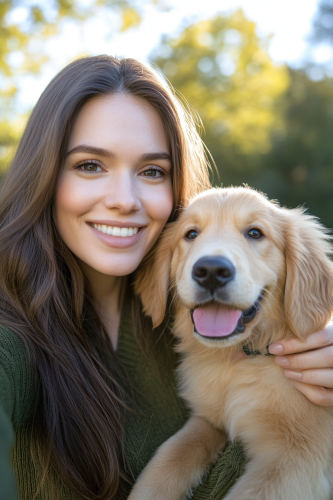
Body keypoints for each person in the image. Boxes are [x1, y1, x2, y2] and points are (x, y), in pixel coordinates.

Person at [0, 55, 333, 500]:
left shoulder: (179, 317)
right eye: (90, 165)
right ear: (44, 174)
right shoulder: (13, 333)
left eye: (152, 171)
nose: (123, 200)